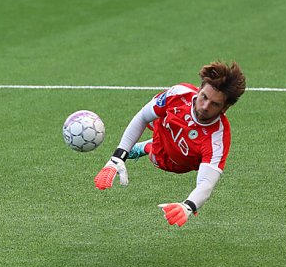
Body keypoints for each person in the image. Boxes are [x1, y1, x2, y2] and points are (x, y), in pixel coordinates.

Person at [93, 60, 247, 227]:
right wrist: (118, 157)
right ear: (200, 89)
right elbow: (143, 117)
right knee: (157, 110)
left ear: (225, 108)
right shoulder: (180, 94)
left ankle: (148, 146)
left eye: (215, 104)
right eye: (204, 97)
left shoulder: (218, 137)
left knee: (156, 158)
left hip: (179, 159)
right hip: (166, 126)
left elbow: (206, 183)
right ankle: (155, 139)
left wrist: (188, 206)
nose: (204, 106)